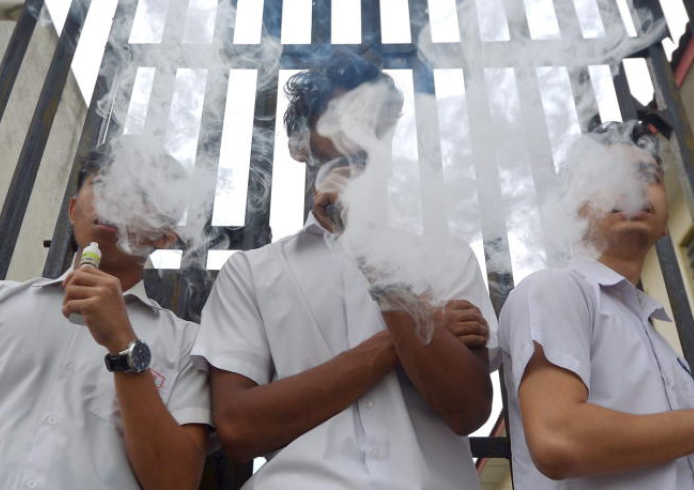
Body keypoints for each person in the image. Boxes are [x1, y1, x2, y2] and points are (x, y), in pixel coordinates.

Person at [192, 50, 497, 489]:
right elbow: (239, 430)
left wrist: (373, 261)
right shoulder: (250, 273)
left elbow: (467, 411)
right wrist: (415, 329)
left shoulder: (447, 259)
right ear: (300, 145)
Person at [500, 121, 694, 489]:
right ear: (572, 209)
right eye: (610, 175)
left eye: (648, 176)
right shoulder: (554, 290)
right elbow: (559, 439)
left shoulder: (658, 343)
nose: (633, 188)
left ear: (665, 221)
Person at [0, 138, 211, 490]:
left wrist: (124, 345)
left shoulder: (187, 344)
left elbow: (176, 482)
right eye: (104, 182)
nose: (116, 199)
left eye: (142, 193)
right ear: (73, 209)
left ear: (165, 237)